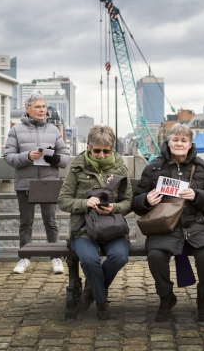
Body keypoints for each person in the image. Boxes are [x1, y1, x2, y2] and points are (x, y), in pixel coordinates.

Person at [131, 123, 204, 322]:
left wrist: (197, 195)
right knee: (155, 255)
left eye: (184, 140)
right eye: (175, 139)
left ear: (190, 144)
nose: (179, 144)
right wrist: (146, 201)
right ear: (168, 142)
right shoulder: (154, 167)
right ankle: (166, 297)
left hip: (197, 225)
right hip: (164, 228)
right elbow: (136, 202)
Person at [57, 125, 131, 320]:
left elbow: (129, 201)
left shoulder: (120, 167)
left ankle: (91, 289)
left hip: (113, 228)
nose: (100, 154)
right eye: (96, 150)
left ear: (112, 149)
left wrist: (113, 208)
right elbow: (63, 200)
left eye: (106, 151)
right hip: (83, 230)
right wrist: (84, 203)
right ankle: (101, 301)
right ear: (89, 147)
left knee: (120, 256)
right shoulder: (77, 166)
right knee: (89, 260)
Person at [4, 93, 70, 275]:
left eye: (44, 106)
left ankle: (56, 258)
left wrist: (55, 158)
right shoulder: (16, 130)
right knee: (26, 222)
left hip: (49, 183)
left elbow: (65, 158)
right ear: (27, 108)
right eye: (38, 107)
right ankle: (24, 258)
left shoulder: (54, 130)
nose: (42, 110)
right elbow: (8, 157)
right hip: (26, 183)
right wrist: (27, 157)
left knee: (51, 222)